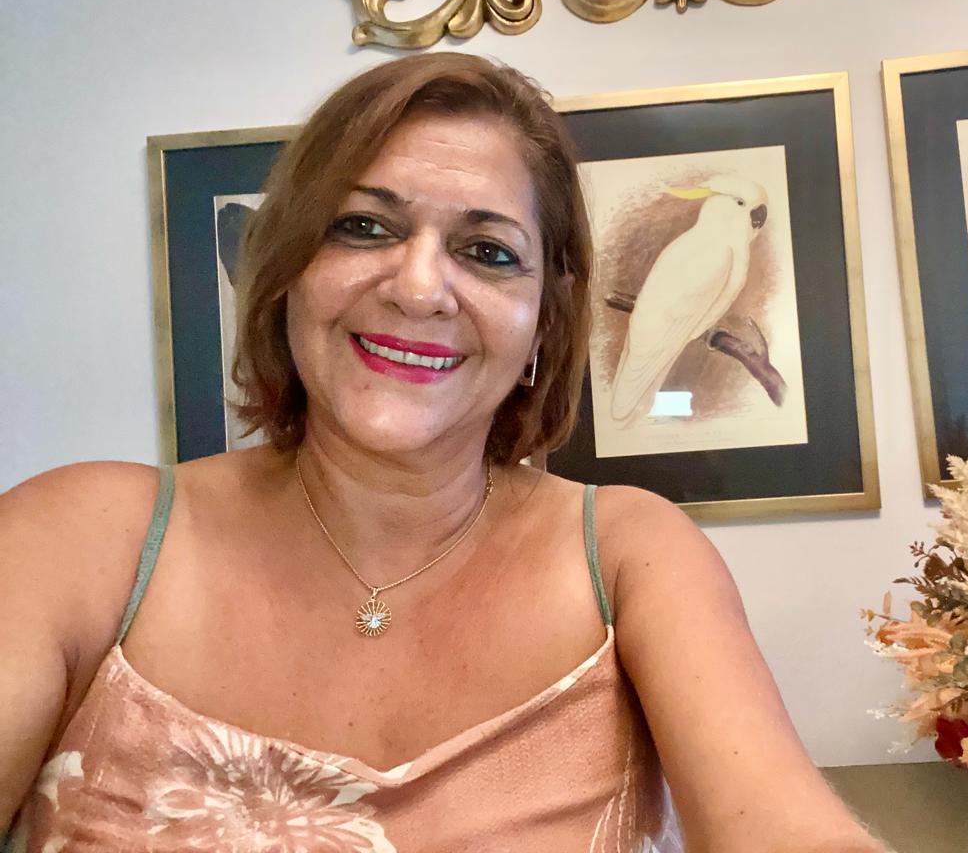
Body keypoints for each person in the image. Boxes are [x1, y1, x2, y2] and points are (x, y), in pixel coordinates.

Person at [0, 53, 884, 852]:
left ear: (542, 324)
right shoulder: (83, 535)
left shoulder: (632, 556)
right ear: (289, 271)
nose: (421, 288)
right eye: (363, 227)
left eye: (488, 251)